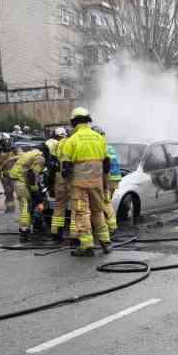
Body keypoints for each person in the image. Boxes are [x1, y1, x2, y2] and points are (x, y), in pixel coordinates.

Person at [58, 107, 110, 256]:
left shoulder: (71, 140)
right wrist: (104, 184)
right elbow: (106, 165)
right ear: (88, 120)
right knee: (98, 211)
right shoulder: (99, 138)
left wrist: (67, 183)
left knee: (82, 214)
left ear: (74, 122)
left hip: (79, 185)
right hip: (97, 183)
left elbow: (65, 168)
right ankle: (105, 242)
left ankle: (87, 246)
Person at [9, 144, 46, 242]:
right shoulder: (40, 158)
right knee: (25, 204)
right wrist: (35, 191)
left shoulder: (31, 153)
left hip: (17, 179)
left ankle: (25, 229)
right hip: (20, 181)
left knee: (25, 204)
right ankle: (24, 231)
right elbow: (32, 175)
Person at [93, 126, 120, 235]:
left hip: (108, 178)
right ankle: (110, 225)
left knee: (105, 202)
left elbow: (103, 166)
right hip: (115, 178)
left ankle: (111, 226)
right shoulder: (109, 146)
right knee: (106, 201)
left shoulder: (101, 146)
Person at [0, 134, 18, 214]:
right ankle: (10, 208)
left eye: (4, 142)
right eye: (2, 142)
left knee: (15, 191)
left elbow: (20, 157)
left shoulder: (14, 149)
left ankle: (14, 208)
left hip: (14, 174)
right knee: (8, 192)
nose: (4, 144)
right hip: (5, 175)